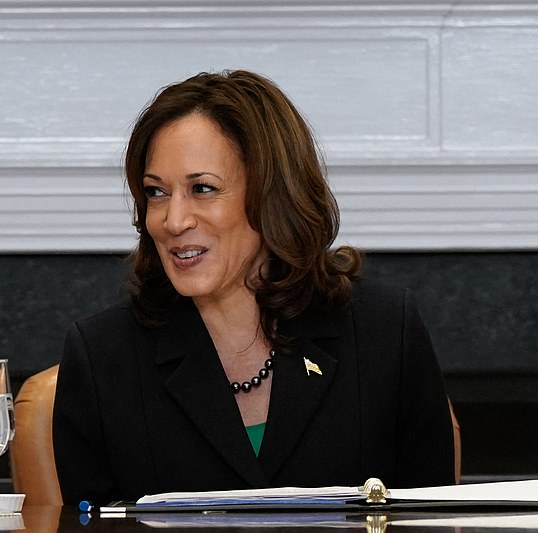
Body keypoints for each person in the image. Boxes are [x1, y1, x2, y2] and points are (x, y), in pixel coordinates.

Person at [53, 69, 455, 505]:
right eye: (156, 193)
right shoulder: (101, 357)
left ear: (271, 193)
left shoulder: (384, 332)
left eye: (202, 188)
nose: (172, 221)